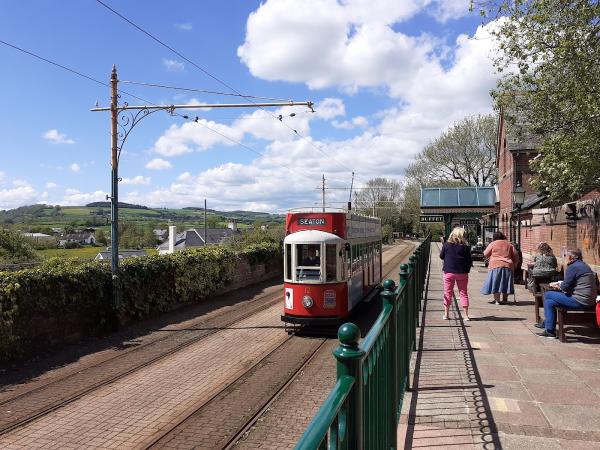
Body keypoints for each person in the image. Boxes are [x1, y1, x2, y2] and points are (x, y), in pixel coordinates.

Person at [536, 249, 598, 338]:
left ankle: (548, 327)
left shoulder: (573, 267)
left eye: (566, 256)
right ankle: (549, 328)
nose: (565, 258)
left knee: (548, 294)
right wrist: (562, 285)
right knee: (549, 302)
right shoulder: (584, 265)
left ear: (570, 257)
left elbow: (565, 287)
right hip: (589, 299)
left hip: (580, 300)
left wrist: (557, 285)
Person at [439, 227, 472, 320]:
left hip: (449, 272)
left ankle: (446, 314)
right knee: (463, 293)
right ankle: (466, 315)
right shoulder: (466, 247)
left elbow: (441, 256)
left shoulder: (446, 245)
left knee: (447, 293)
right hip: (462, 273)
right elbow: (469, 261)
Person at [480, 231, 519, 304]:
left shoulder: (493, 243)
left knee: (496, 282)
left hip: (495, 265)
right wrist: (515, 264)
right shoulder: (509, 244)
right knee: (506, 282)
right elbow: (516, 255)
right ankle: (505, 299)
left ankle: (497, 300)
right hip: (508, 265)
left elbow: (485, 253)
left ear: (494, 237)